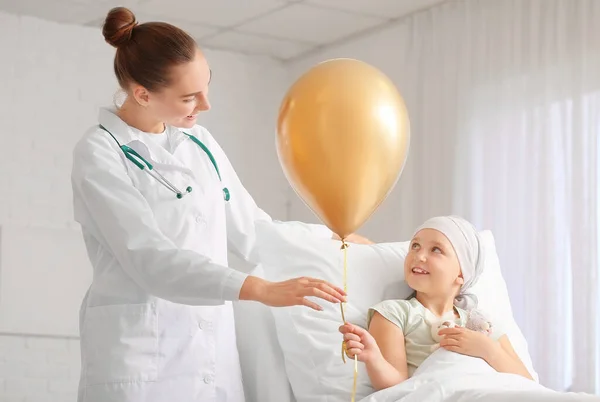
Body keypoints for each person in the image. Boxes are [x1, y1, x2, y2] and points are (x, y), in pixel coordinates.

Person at [71, 7, 371, 402]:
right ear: (143, 94)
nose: (206, 105)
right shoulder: (99, 152)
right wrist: (257, 288)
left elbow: (252, 230)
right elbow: (148, 257)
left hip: (211, 355)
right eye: (190, 97)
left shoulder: (201, 144)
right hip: (141, 357)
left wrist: (333, 240)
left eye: (207, 86)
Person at [338, 215, 533, 391]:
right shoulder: (393, 313)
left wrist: (488, 350)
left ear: (461, 273)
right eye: (415, 246)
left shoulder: (479, 323)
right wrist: (374, 359)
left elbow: (528, 385)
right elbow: (395, 389)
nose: (419, 256)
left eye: (436, 249)